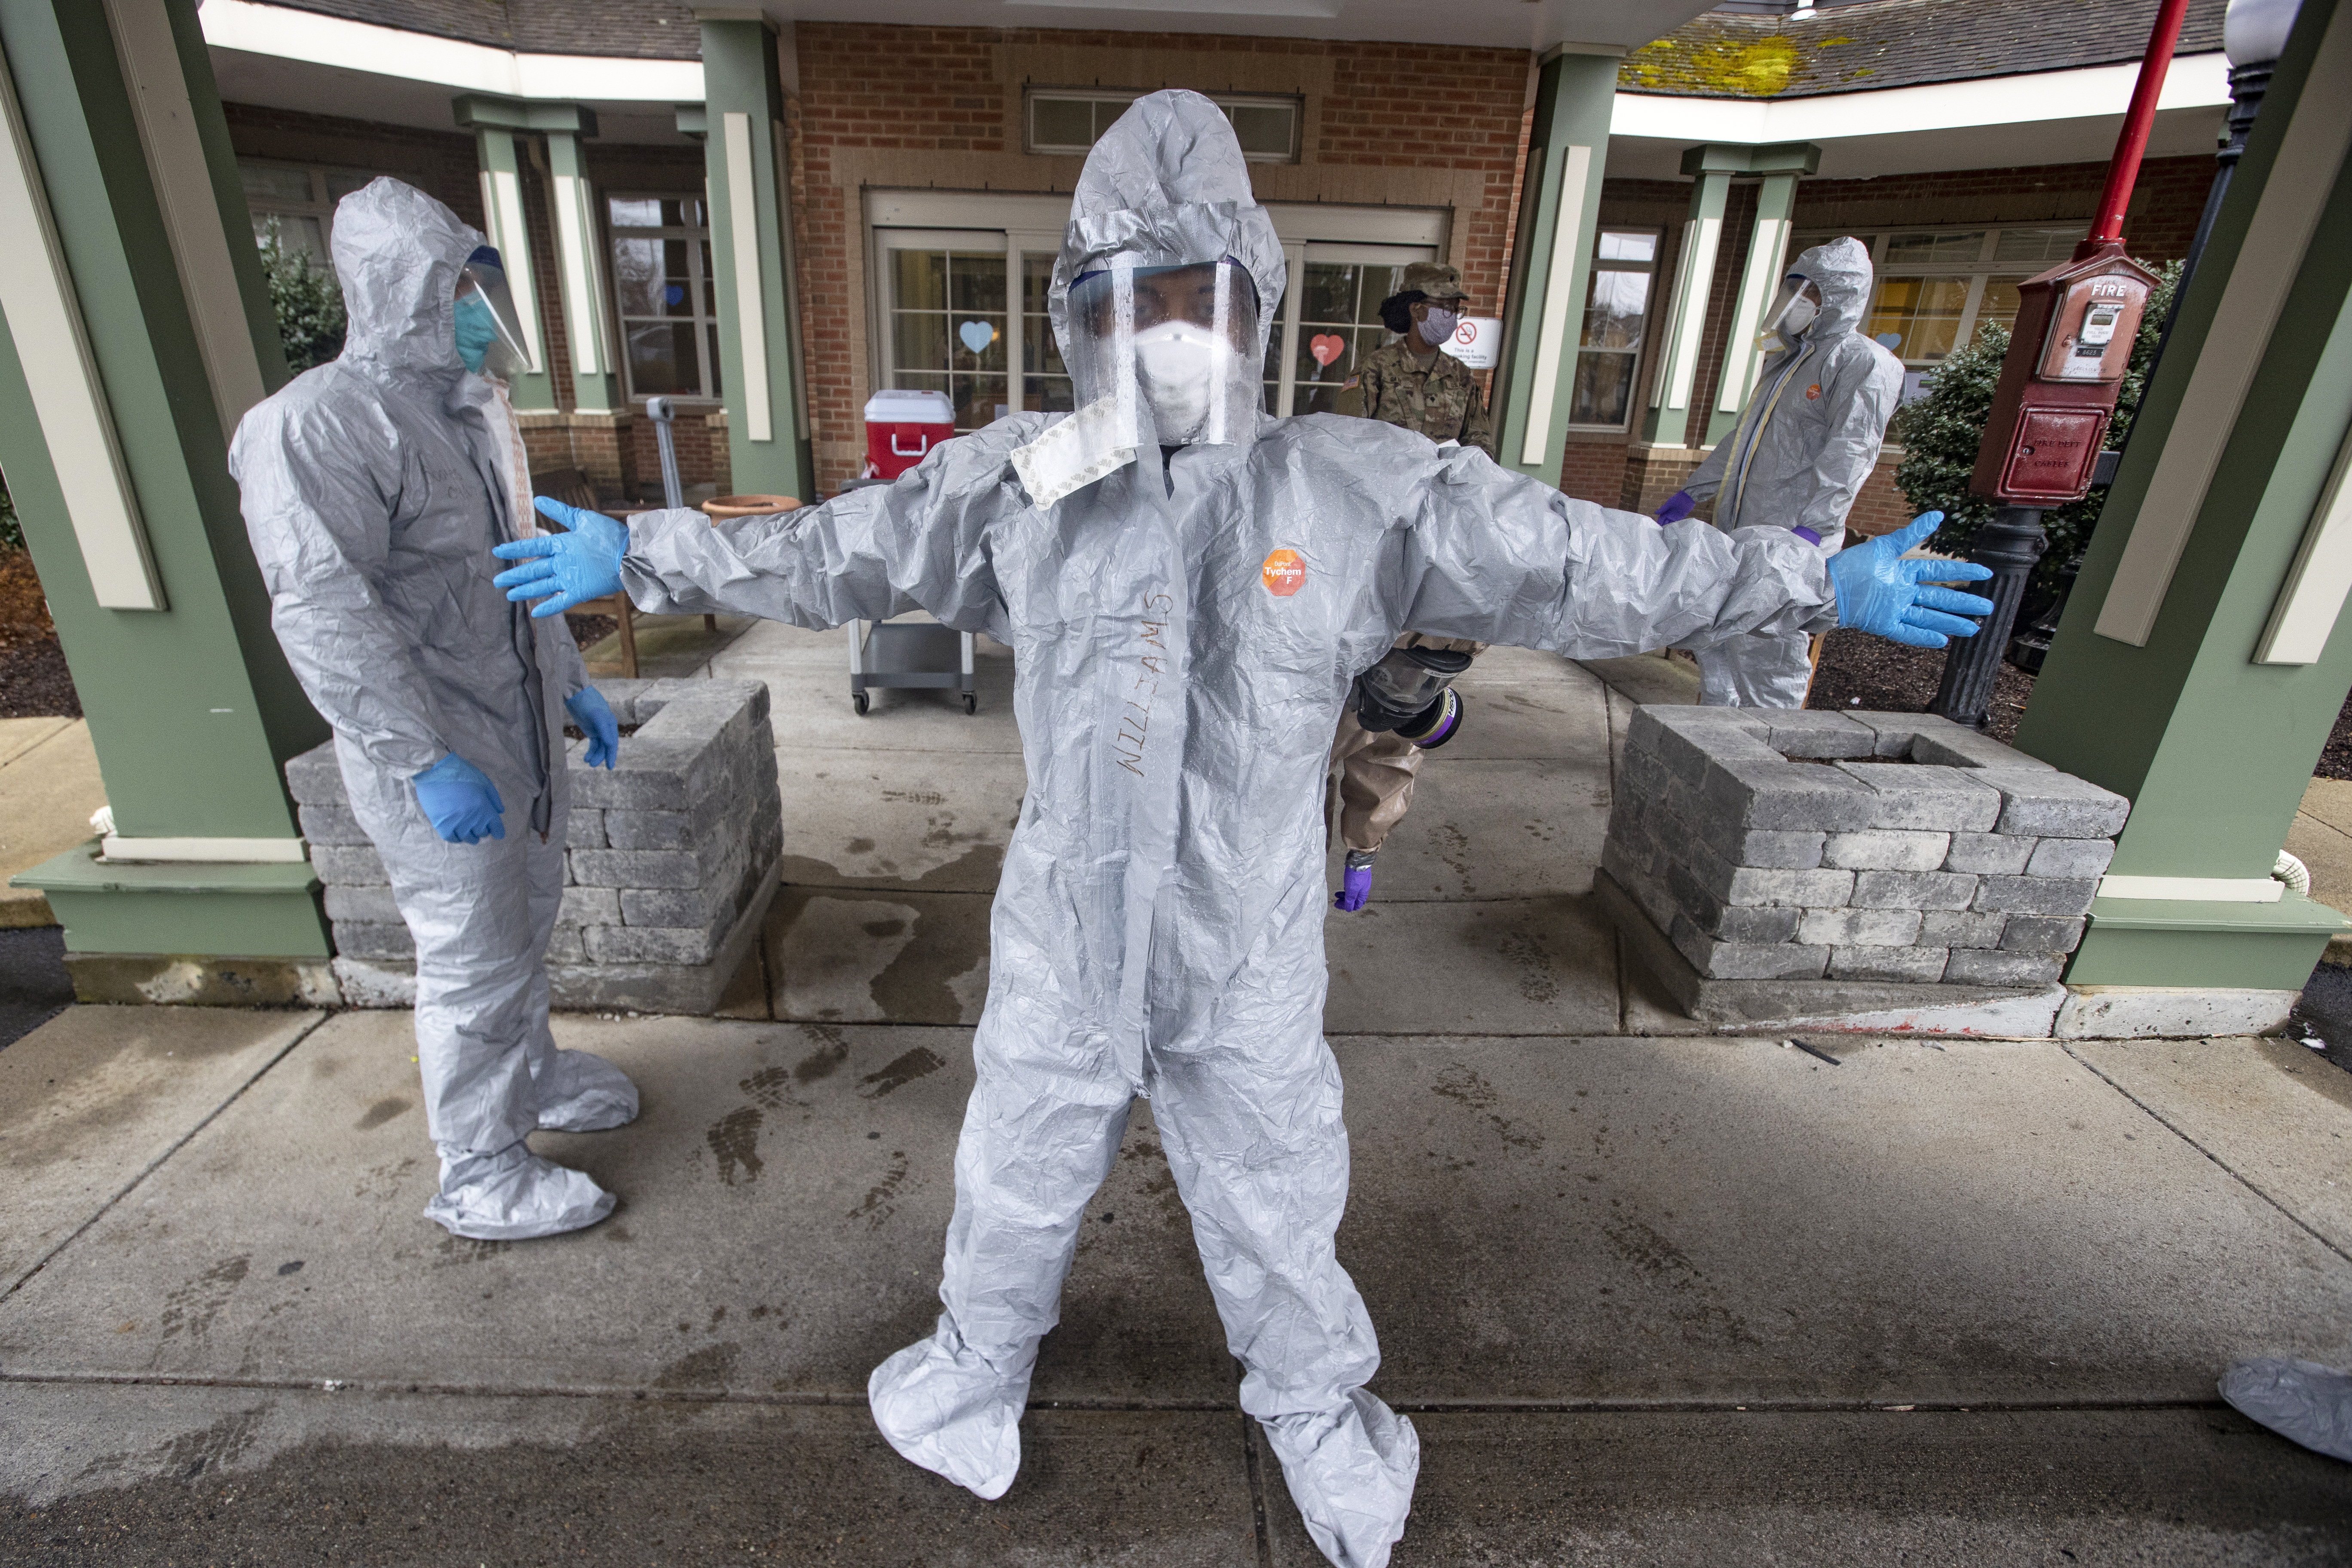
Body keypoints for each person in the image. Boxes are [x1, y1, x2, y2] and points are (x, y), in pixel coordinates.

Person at [492, 93, 1990, 1568]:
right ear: (1077, 309)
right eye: (1122, 297)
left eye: (1188, 294)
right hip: (1069, 932)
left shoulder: (1346, 484)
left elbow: (1572, 561)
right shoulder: (1027, 481)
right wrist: (651, 550)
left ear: (1250, 304)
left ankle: (1318, 1404)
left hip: (1242, 945)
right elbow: (840, 548)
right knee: (1015, 1167)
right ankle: (974, 1363)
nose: (1158, 329)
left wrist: (1796, 580)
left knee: (1275, 1190)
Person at [231, 178, 639, 1243]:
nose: (475, 310)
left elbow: (515, 573)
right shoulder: (313, 427)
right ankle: (481, 1168)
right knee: (469, 959)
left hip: (511, 728)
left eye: (478, 286)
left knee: (520, 928)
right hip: (436, 750)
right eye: (457, 287)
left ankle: (533, 1080)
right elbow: (322, 609)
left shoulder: (465, 409)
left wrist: (569, 683)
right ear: (398, 289)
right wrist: (420, 758)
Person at [1653, 237, 1905, 709]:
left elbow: (1851, 453)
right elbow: (1743, 437)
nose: (1795, 301)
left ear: (1838, 299)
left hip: (1792, 539)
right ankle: (1710, 736)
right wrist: (1694, 492)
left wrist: (1813, 530)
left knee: (1768, 650)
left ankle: (1764, 750)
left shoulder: (1862, 363)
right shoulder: (1788, 360)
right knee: (1716, 634)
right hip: (1740, 531)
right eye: (1793, 288)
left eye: (1809, 292)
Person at [1325, 263, 1494, 910]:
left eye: (1458, 306)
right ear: (1415, 308)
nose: (1451, 316)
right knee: (1330, 722)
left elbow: (1481, 460)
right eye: (1442, 305)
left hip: (1433, 551)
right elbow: (1342, 453)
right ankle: (1292, 858)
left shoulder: (1461, 380)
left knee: (1395, 718)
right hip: (1370, 550)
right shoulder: (1374, 371)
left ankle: (1364, 850)